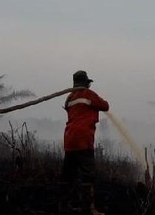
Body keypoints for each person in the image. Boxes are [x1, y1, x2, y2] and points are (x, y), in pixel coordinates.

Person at [62, 70, 109, 215]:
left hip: (69, 140)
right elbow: (105, 106)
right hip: (84, 140)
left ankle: (66, 206)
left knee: (68, 176)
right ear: (86, 83)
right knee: (88, 176)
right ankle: (89, 209)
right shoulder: (89, 94)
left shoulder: (69, 97)